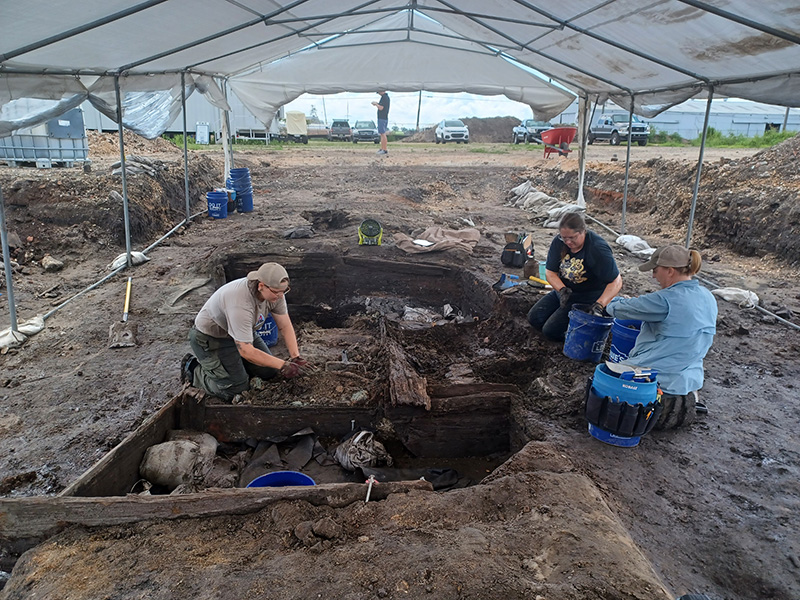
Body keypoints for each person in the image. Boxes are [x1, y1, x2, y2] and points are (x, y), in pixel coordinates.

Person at [605, 245, 717, 429]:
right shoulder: (707, 296)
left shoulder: (664, 300)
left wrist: (621, 299)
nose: (653, 276)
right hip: (689, 383)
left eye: (656, 271)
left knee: (602, 379)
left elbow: (614, 308)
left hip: (653, 384)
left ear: (670, 271)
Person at [180, 262, 313, 400]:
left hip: (243, 334)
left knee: (270, 371)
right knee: (235, 390)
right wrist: (284, 364)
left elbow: (285, 326)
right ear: (261, 285)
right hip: (213, 338)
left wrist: (295, 357)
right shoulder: (240, 303)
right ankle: (194, 370)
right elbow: (246, 351)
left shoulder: (275, 292)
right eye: (276, 292)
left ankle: (236, 368)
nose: (280, 296)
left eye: (283, 291)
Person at [527, 212, 622, 341]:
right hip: (566, 293)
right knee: (535, 318)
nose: (568, 242)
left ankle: (574, 338)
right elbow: (550, 271)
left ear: (583, 231)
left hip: (586, 298)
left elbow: (616, 281)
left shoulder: (597, 248)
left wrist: (599, 305)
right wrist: (562, 289)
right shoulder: (559, 242)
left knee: (550, 331)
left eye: (572, 238)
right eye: (564, 238)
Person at [371, 91, 390, 155]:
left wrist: (376, 104)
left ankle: (384, 149)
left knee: (382, 133)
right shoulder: (385, 97)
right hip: (383, 117)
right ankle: (382, 148)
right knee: (382, 133)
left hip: (382, 118)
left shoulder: (385, 98)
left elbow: (381, 108)